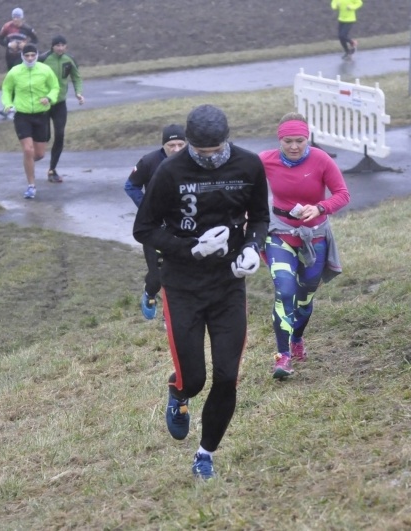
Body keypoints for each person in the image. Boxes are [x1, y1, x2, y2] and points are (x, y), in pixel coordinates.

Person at [133, 104, 269, 480]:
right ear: (190, 144)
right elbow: (143, 229)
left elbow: (260, 217)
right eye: (201, 153)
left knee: (226, 376)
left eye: (216, 152)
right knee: (194, 380)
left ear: (227, 140)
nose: (209, 159)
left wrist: (252, 248)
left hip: (227, 285)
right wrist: (190, 248)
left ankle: (205, 454)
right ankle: (178, 394)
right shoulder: (170, 172)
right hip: (183, 286)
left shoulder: (248, 165)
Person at [258, 113, 350, 379]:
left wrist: (320, 207)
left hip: (314, 236)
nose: (294, 146)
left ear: (307, 138)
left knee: (304, 298)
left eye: (299, 140)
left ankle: (297, 337)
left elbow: (343, 194)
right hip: (279, 233)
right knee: (285, 291)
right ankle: (282, 357)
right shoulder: (265, 160)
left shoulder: (321, 159)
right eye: (288, 141)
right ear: (280, 140)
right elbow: (244, 186)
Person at [124, 124, 187, 322]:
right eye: (171, 145)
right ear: (163, 145)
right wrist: (147, 208)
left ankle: (170, 316)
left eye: (180, 144)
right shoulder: (149, 161)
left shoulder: (193, 160)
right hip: (154, 228)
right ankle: (150, 293)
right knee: (157, 275)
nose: (176, 149)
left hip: (182, 226)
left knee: (180, 272)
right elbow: (130, 185)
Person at [0, 43, 60, 199]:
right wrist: (8, 104)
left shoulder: (45, 70)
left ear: (37, 56)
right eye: (27, 55)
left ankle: (28, 163)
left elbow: (55, 87)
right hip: (22, 115)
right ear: (22, 57)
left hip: (41, 115)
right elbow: (6, 89)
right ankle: (31, 186)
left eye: (33, 55)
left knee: (39, 154)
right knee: (28, 150)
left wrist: (49, 98)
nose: (30, 58)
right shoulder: (15, 72)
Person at [38, 35, 85, 182]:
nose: (60, 48)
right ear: (52, 46)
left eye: (62, 45)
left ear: (66, 46)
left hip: (60, 104)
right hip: (44, 103)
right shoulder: (43, 59)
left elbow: (76, 77)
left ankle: (52, 169)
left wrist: (78, 93)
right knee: (45, 136)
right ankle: (33, 155)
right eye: (57, 45)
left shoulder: (69, 60)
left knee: (60, 134)